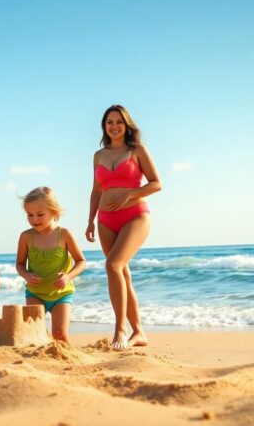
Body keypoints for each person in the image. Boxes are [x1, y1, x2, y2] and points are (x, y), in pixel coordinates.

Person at [86, 104, 162, 351]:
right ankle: (139, 332)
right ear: (104, 126)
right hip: (105, 220)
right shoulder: (98, 155)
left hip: (135, 216)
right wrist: (90, 220)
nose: (114, 126)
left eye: (119, 121)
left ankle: (120, 329)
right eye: (110, 122)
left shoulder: (137, 150)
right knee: (122, 273)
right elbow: (97, 190)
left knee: (113, 265)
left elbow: (156, 183)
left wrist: (130, 194)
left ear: (126, 124)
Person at [16, 187, 86, 344]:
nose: (34, 219)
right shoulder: (26, 237)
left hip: (61, 293)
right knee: (34, 334)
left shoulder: (64, 234)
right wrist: (27, 275)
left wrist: (68, 276)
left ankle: (68, 363)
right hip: (35, 293)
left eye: (40, 215)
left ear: (54, 212)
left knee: (59, 334)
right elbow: (20, 264)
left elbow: (81, 261)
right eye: (30, 215)